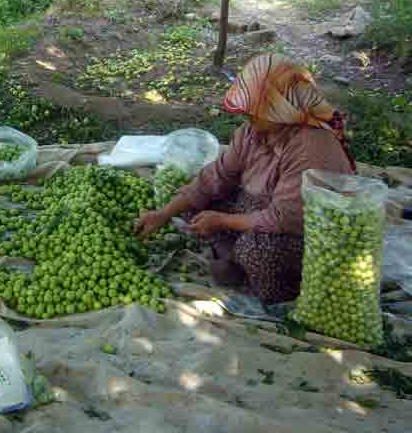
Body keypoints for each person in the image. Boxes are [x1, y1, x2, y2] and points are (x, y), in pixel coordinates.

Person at [134, 54, 356, 304]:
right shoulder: (253, 131)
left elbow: (284, 219)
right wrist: (164, 214)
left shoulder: (311, 147)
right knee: (192, 202)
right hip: (262, 209)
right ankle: (235, 257)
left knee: (258, 252)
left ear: (282, 106)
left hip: (307, 232)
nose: (246, 113)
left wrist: (221, 220)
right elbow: (215, 177)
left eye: (256, 107)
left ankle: (274, 284)